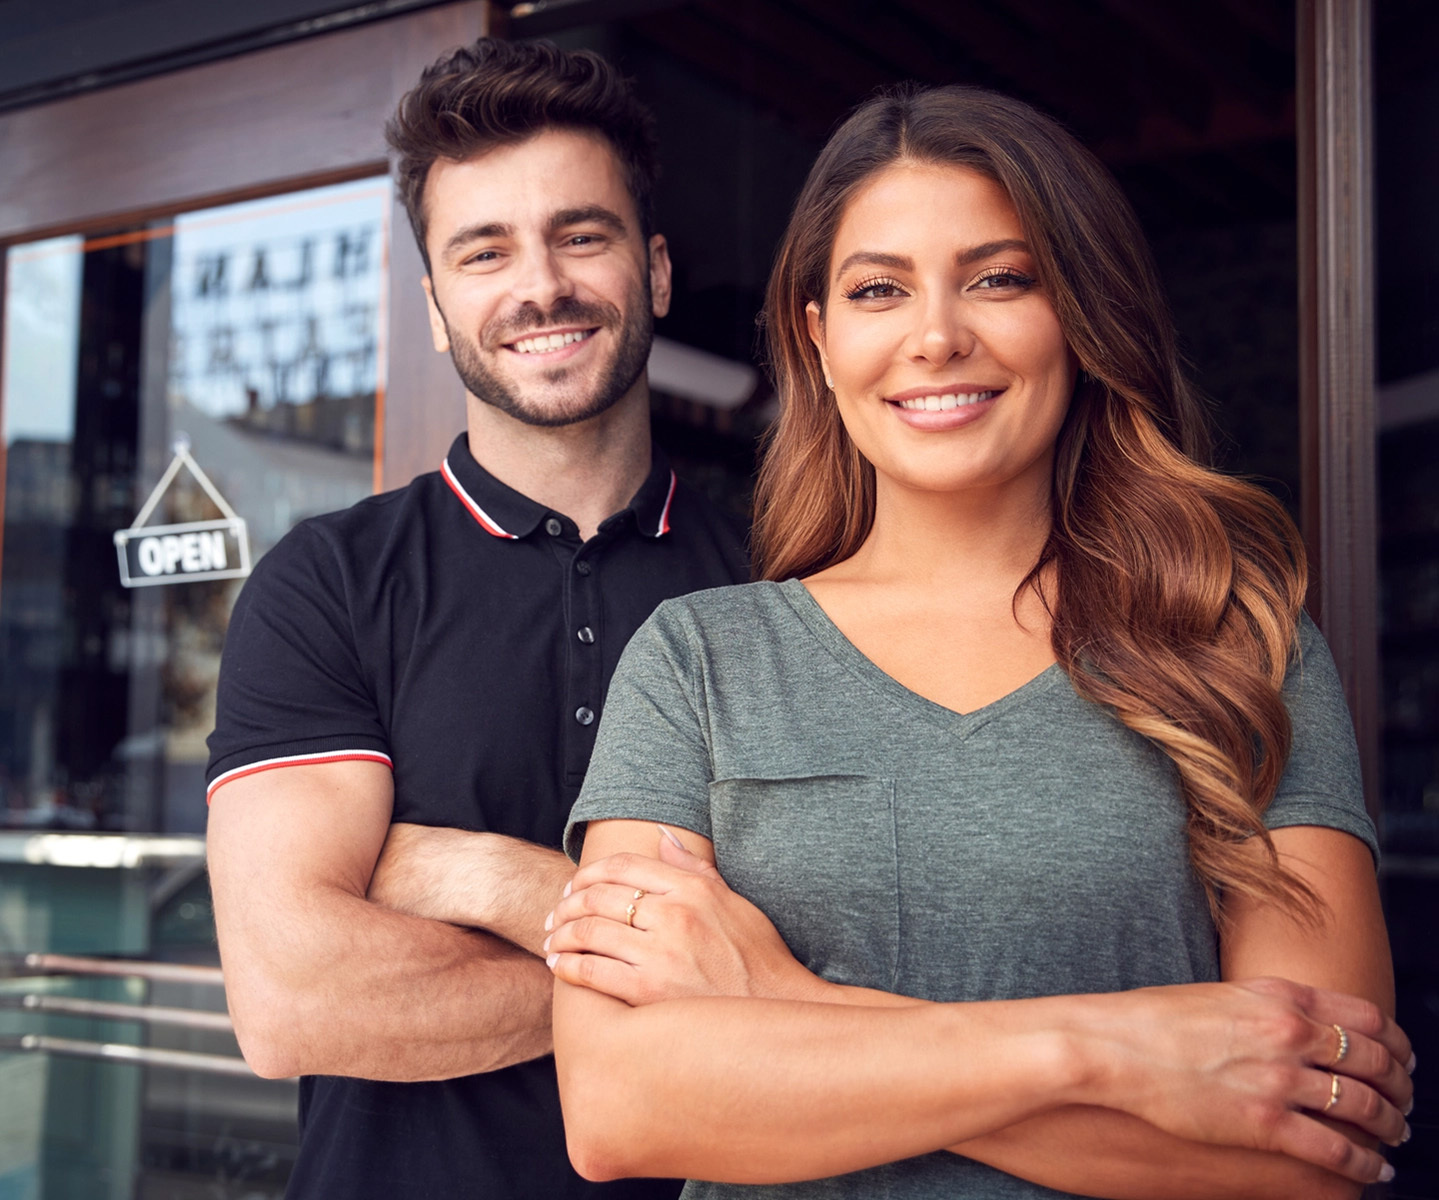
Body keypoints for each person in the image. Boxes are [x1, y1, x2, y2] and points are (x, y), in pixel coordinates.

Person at [544, 84, 1414, 1199]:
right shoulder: (698, 662)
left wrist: (784, 1004)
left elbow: (1312, 1149)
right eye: (877, 290)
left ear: (1080, 312)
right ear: (818, 337)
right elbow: (625, 1105)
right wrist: (1113, 1053)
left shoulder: (1235, 643)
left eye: (999, 278)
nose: (937, 335)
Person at [204, 39, 745, 1200]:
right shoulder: (329, 585)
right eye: (484, 250)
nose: (538, 284)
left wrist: (476, 878)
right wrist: (682, 972)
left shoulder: (778, 586)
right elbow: (293, 999)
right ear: (438, 308)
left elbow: (837, 947)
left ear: (653, 271)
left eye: (579, 234)